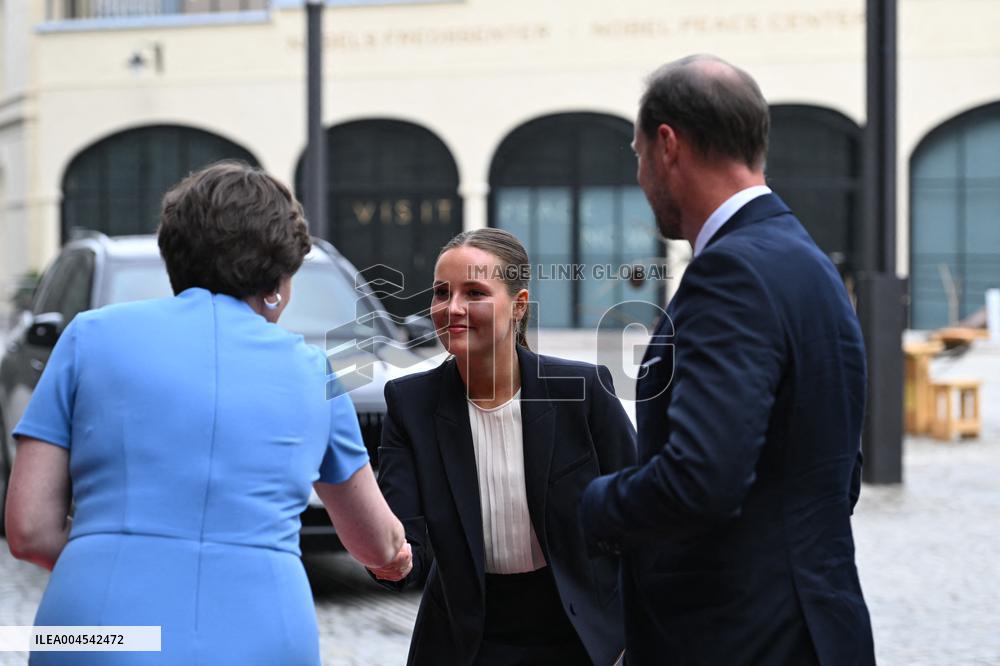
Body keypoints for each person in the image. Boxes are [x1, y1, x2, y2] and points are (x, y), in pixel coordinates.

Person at [5, 161, 410, 665]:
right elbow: (375, 541)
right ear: (278, 282)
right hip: (263, 631)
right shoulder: (313, 371)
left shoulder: (89, 337)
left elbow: (27, 531)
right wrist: (396, 554)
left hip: (98, 625)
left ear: (172, 256)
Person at [580, 55, 876, 665]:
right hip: (816, 628)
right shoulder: (808, 261)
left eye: (635, 154)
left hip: (739, 639)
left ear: (668, 146)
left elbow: (702, 478)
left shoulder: (731, 270)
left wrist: (594, 505)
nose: (639, 177)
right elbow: (837, 468)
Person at [370, 228, 635, 665]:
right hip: (463, 641)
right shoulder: (410, 403)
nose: (452, 308)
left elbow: (641, 513)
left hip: (581, 637)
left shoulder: (582, 391)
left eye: (474, 292)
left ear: (519, 305)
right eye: (441, 292)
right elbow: (406, 540)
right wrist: (391, 559)